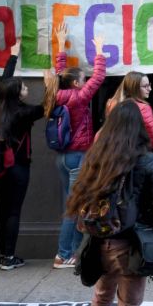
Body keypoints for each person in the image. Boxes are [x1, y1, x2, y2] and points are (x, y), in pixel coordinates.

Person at [67, 102, 153, 306]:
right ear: (139, 127)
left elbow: (79, 195)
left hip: (98, 241)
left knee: (102, 295)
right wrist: (140, 220)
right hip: (130, 244)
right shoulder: (147, 160)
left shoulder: (96, 157)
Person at [44, 23, 107, 269]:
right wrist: (99, 50)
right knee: (74, 207)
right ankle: (63, 254)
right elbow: (100, 77)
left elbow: (61, 71)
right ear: (76, 84)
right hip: (78, 157)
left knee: (72, 204)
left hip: (62, 157)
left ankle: (68, 250)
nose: (86, 80)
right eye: (83, 79)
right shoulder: (79, 98)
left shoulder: (57, 94)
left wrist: (60, 45)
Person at [0, 49, 48, 271]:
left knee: (2, 210)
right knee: (13, 211)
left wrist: (12, 57)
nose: (26, 88)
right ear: (17, 94)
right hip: (18, 168)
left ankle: (3, 254)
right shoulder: (24, 113)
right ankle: (9, 256)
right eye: (23, 87)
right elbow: (48, 105)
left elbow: (4, 82)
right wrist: (53, 79)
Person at [104, 72, 153, 150]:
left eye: (149, 85)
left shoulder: (111, 104)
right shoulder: (144, 108)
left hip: (114, 150)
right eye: (145, 86)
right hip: (136, 151)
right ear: (134, 88)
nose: (150, 89)